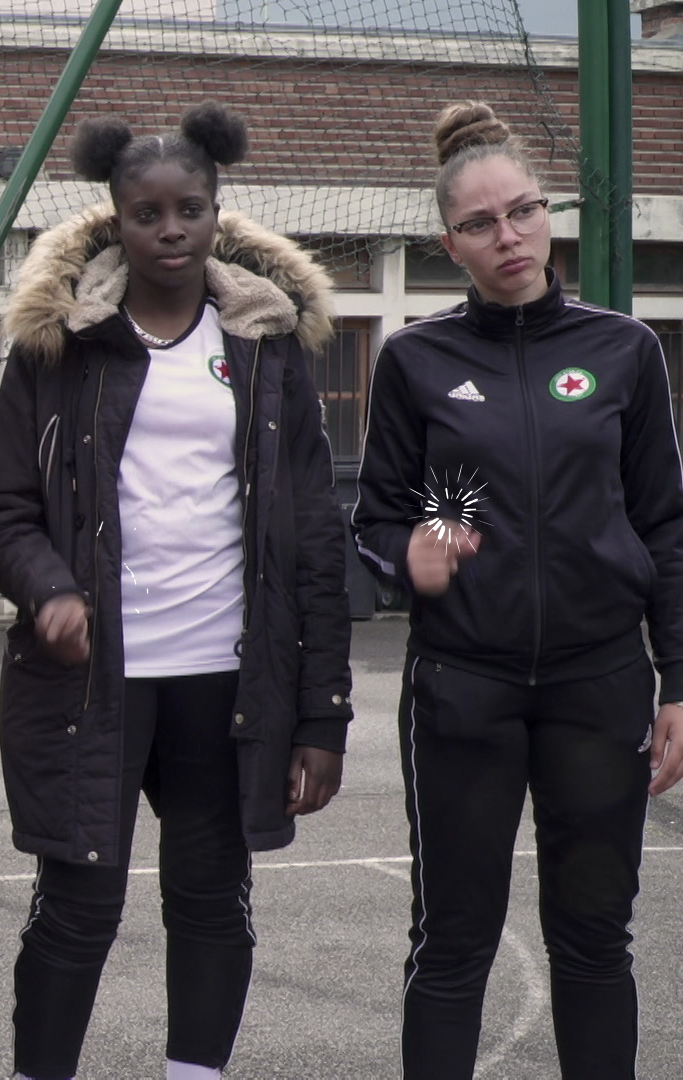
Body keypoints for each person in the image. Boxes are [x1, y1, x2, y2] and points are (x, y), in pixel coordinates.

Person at [0, 103, 353, 1080]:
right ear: (118, 218)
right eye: (147, 213)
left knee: (211, 898)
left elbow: (315, 534)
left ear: (218, 211)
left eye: (190, 208)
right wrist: (49, 592)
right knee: (78, 907)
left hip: (227, 679)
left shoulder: (267, 345)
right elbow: (7, 510)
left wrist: (323, 713)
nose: (171, 229)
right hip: (91, 679)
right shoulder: (59, 346)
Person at [353, 101, 683, 1080]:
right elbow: (376, 520)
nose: (510, 237)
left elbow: (665, 524)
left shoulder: (625, 351)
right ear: (449, 243)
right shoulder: (415, 360)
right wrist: (408, 556)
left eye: (525, 212)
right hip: (464, 688)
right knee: (452, 944)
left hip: (599, 685)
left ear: (548, 214)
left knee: (595, 942)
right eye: (482, 223)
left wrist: (678, 680)